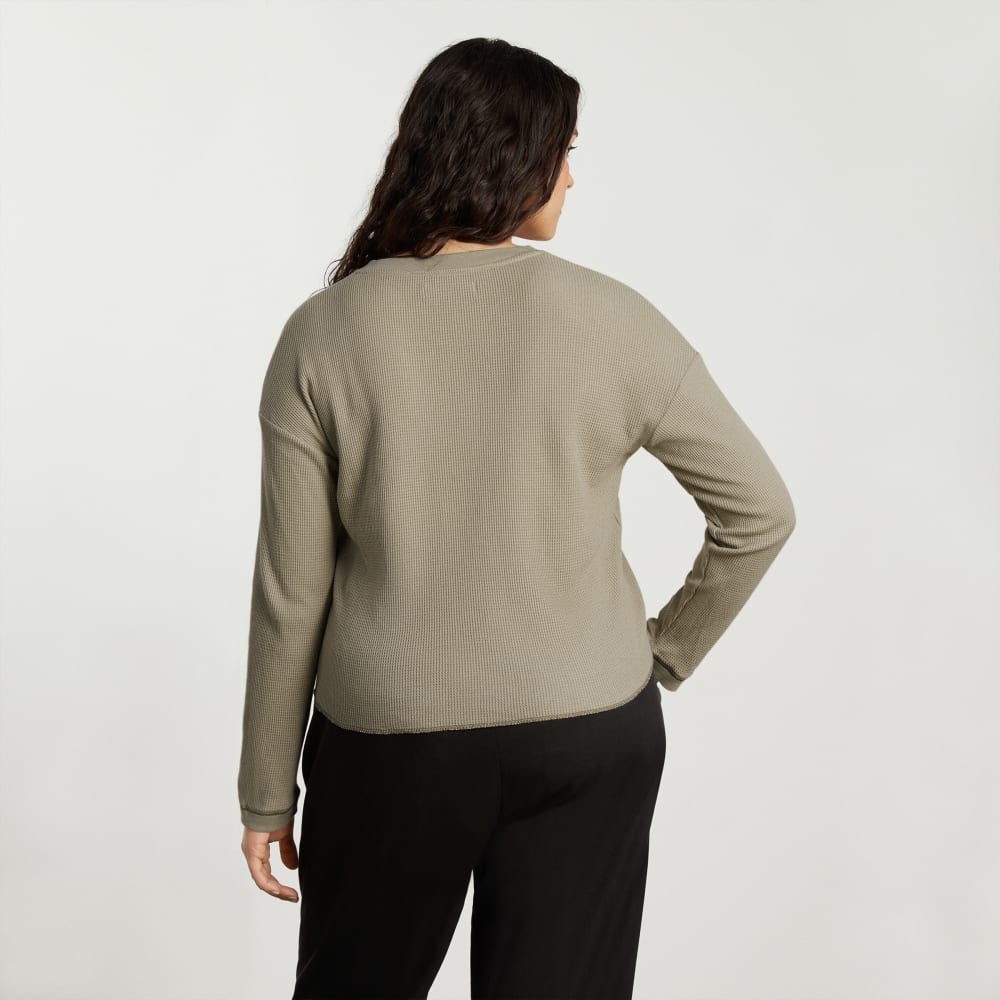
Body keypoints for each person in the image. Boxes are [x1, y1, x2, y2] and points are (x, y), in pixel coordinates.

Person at [237, 35, 795, 1000]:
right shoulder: (613, 318)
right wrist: (660, 656)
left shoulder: (324, 333)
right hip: (590, 734)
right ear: (510, 155)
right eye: (563, 151)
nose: (572, 177)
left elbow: (293, 596)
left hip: (391, 747)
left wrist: (264, 790)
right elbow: (760, 512)